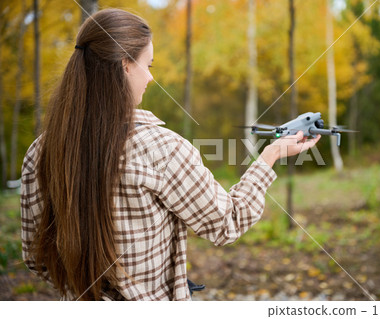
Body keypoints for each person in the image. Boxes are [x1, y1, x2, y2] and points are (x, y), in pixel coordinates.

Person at [20, 8, 321, 301]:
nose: (150, 78)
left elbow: (38, 258)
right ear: (125, 65)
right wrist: (271, 155)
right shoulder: (162, 149)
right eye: (148, 65)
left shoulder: (39, 153)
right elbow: (228, 222)